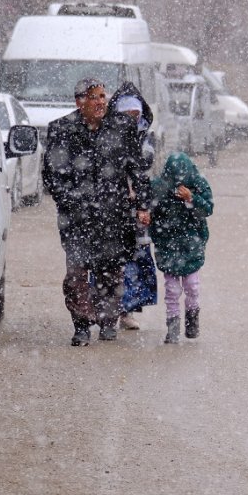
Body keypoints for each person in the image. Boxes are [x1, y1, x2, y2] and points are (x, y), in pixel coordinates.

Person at [42, 78, 151, 346]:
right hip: (76, 217)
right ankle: (81, 325)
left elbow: (136, 168)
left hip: (113, 214)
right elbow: (51, 175)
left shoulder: (122, 126)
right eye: (94, 97)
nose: (101, 102)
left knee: (110, 271)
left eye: (103, 96)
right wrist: (71, 200)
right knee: (77, 274)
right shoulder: (62, 129)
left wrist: (142, 205)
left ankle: (107, 322)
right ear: (80, 101)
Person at [149, 152, 213, 344]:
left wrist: (191, 198)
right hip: (168, 244)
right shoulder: (159, 188)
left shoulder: (198, 183)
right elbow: (151, 210)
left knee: (192, 286)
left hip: (191, 243)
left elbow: (208, 209)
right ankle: (173, 327)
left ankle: (192, 321)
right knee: (172, 289)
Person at [109, 88, 158, 330]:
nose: (132, 118)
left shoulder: (146, 137)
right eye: (127, 113)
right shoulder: (107, 135)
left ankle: (126, 310)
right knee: (109, 260)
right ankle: (107, 310)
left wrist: (143, 203)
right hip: (111, 205)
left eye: (135, 113)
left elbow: (146, 164)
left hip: (138, 205)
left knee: (134, 259)